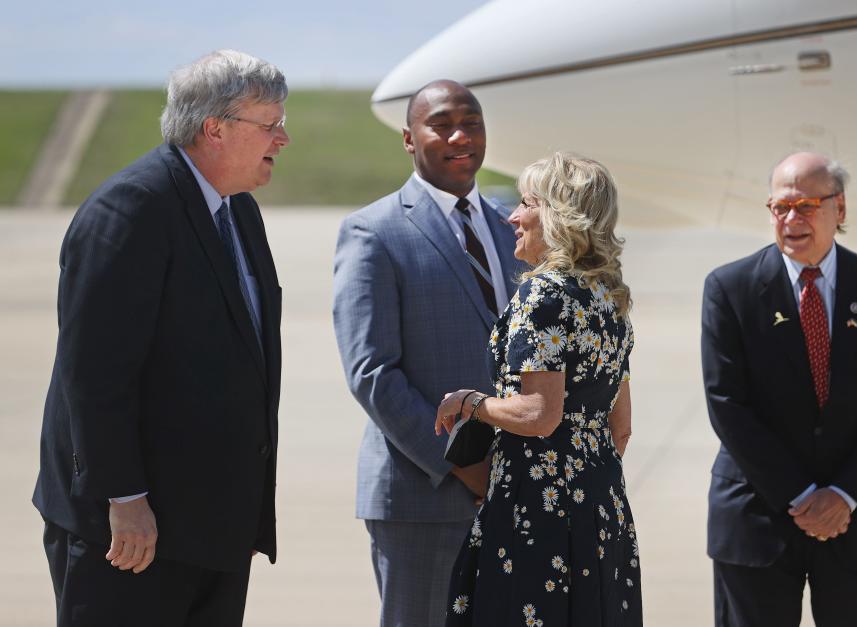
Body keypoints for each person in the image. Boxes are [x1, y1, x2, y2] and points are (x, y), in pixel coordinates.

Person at [32, 49, 289, 626]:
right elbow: (94, 373)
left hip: (210, 529)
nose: (284, 138)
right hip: (133, 536)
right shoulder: (130, 210)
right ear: (214, 128)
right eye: (270, 124)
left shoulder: (238, 210)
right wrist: (123, 498)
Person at [333, 79, 524, 627]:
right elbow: (371, 372)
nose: (461, 135)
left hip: (513, 494)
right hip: (424, 496)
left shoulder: (509, 231)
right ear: (409, 139)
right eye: (442, 124)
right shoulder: (373, 231)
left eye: (473, 122)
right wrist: (464, 462)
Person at [701, 152, 857, 626]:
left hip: (853, 517)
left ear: (839, 208)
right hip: (756, 515)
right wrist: (802, 497)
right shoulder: (729, 289)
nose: (790, 220)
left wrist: (842, 495)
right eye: (780, 207)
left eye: (805, 206)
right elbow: (727, 405)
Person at [436, 151, 643, 626]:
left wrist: (472, 403)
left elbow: (538, 414)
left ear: (557, 216)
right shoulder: (608, 297)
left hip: (535, 507)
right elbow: (622, 426)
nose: (512, 215)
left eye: (526, 202)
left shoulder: (542, 295)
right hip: (600, 506)